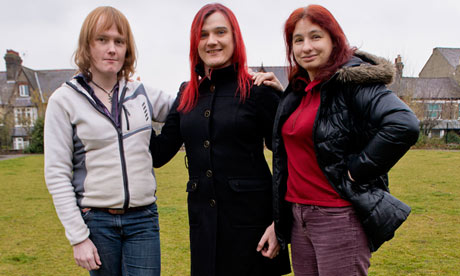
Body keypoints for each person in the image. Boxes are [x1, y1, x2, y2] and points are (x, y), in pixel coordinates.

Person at [253, 4, 419, 276]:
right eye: (298, 40)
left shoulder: (352, 83)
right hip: (299, 218)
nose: (306, 47)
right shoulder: (298, 92)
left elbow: (403, 124)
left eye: (316, 37)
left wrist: (357, 171)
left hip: (338, 218)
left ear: (334, 39)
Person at [150, 3, 291, 276]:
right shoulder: (186, 93)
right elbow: (158, 153)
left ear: (234, 39)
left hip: (255, 233)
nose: (212, 41)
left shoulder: (258, 90)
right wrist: (124, 111)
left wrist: (279, 225)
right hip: (204, 230)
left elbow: (290, 157)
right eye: (203, 35)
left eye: (220, 32)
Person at [44, 6, 173, 276]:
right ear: (87, 46)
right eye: (102, 40)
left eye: (119, 41)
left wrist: (248, 80)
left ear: (127, 49)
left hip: (143, 220)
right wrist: (78, 237)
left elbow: (190, 106)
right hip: (97, 221)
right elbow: (57, 173)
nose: (112, 49)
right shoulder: (64, 101)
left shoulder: (141, 93)